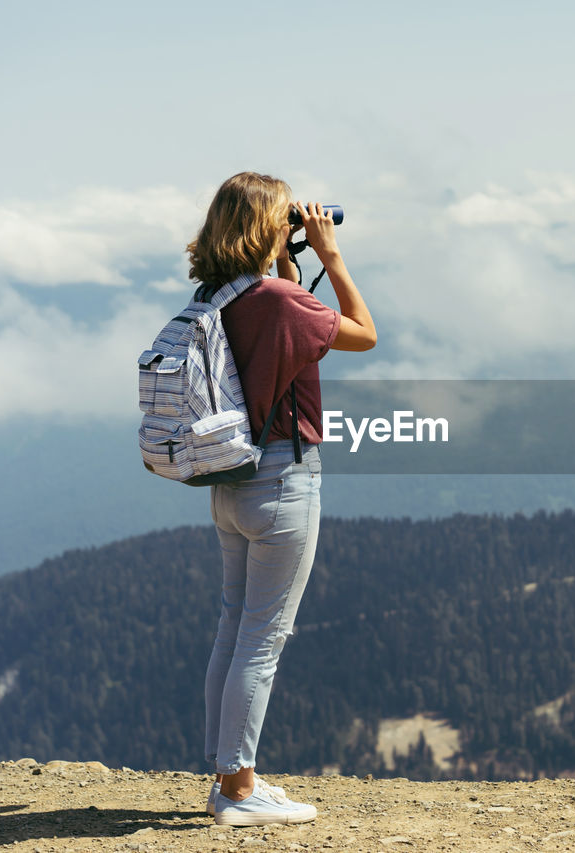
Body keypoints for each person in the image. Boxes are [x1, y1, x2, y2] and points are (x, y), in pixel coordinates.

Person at [185, 172, 376, 826]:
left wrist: (287, 260)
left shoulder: (220, 294)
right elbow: (362, 332)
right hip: (283, 482)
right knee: (262, 640)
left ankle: (228, 772)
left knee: (233, 625)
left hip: (229, 482)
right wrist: (330, 254)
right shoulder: (280, 300)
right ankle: (237, 791)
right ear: (269, 225)